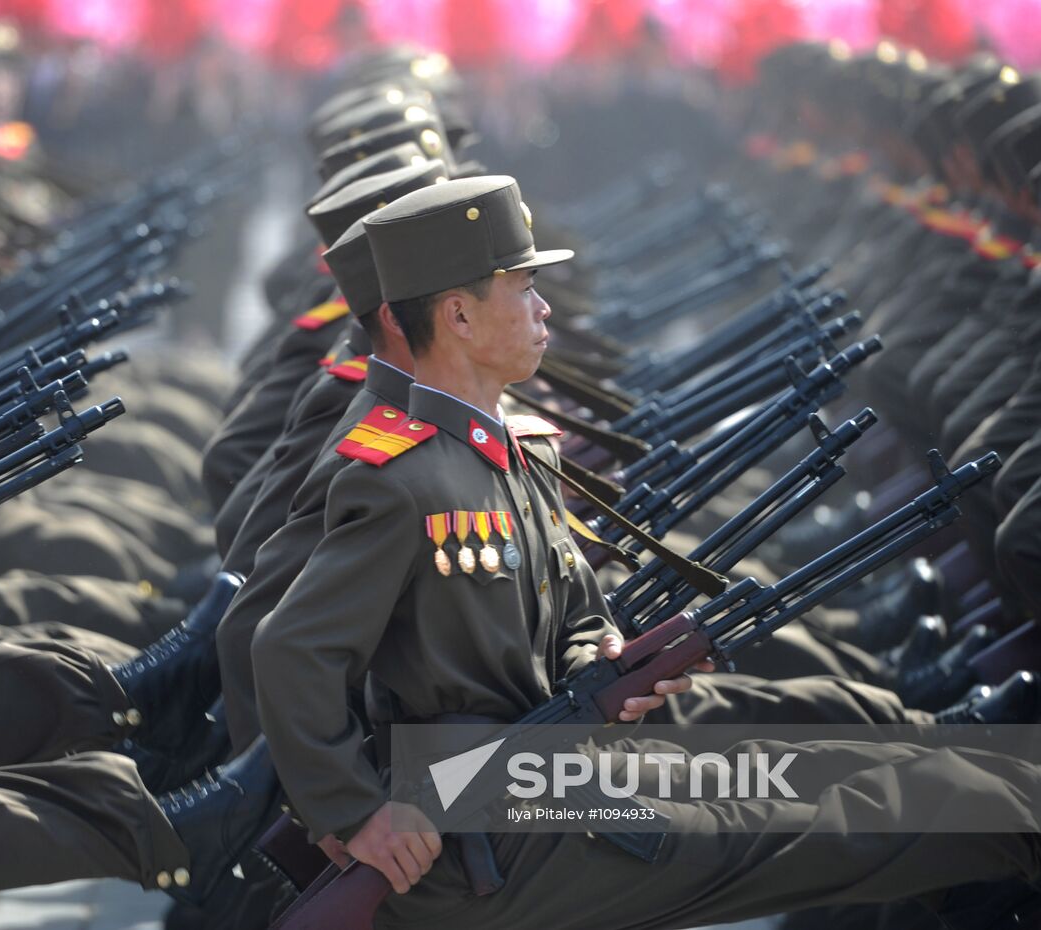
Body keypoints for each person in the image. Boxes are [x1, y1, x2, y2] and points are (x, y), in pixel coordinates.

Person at [252, 176, 1041, 928]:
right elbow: (288, 650)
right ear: (458, 317)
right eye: (522, 289)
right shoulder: (400, 479)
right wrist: (356, 813)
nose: (543, 307)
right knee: (903, 815)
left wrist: (600, 657)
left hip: (550, 776)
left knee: (865, 773)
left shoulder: (508, 448)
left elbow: (565, 611)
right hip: (484, 828)